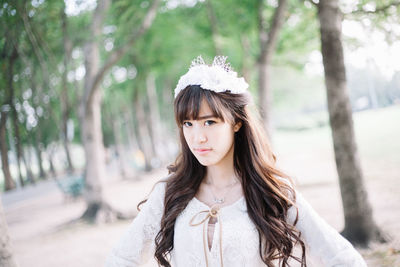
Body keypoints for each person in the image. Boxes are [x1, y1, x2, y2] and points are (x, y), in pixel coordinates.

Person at [105, 56, 367, 267]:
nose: (198, 137)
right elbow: (121, 258)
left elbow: (340, 256)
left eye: (209, 122)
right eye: (188, 123)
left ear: (237, 123)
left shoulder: (270, 191)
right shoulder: (170, 193)